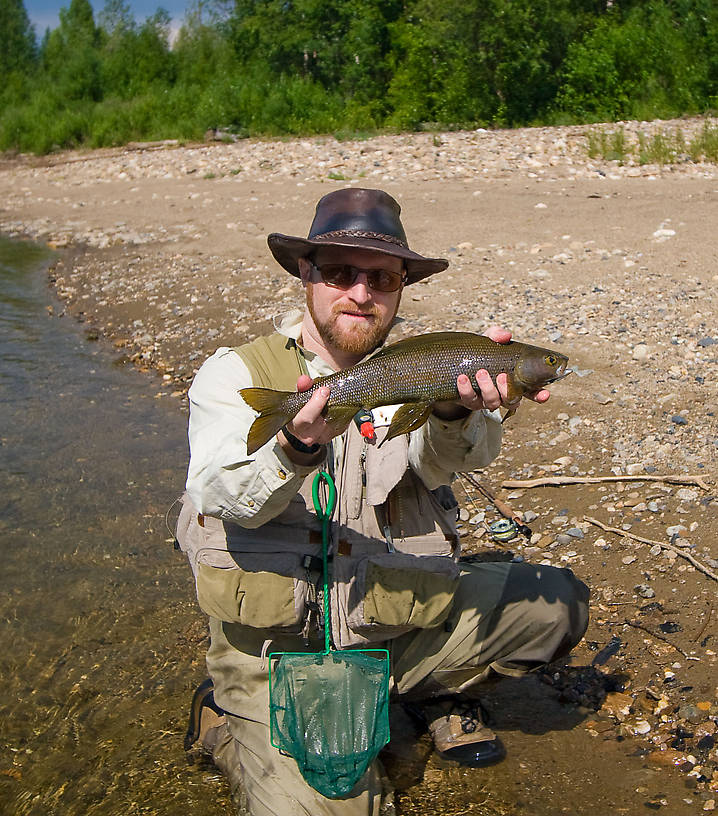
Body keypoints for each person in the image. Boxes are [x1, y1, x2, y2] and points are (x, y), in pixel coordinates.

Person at [177, 188, 589, 816]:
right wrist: (294, 445)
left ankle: (425, 691)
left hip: (387, 626)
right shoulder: (234, 374)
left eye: (382, 278)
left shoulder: (416, 368)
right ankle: (231, 724)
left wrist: (453, 408)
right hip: (281, 656)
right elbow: (222, 497)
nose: (361, 293)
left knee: (558, 608)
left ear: (401, 287)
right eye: (340, 273)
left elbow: (447, 460)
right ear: (306, 275)